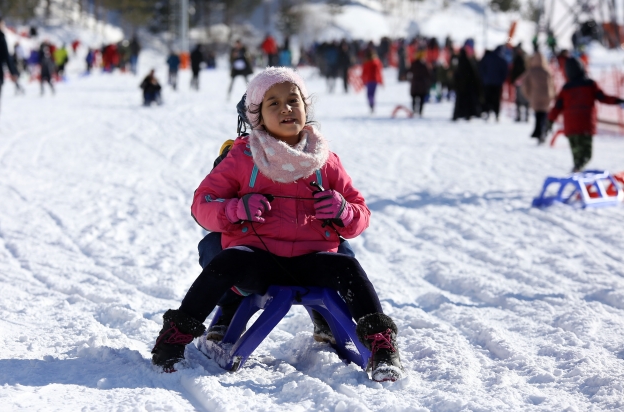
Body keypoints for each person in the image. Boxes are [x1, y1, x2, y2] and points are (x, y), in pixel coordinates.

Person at [150, 67, 404, 382]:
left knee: (347, 268)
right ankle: (174, 338)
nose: (286, 108)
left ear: (305, 107)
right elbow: (203, 203)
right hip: (260, 258)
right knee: (225, 262)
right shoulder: (243, 156)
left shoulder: (325, 161)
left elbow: (359, 211)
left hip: (312, 257)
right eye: (274, 103)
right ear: (257, 115)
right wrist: (236, 208)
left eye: (293, 100)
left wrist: (343, 211)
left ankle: (381, 344)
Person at [547, 57, 624, 172]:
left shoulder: (566, 89)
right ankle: (578, 173)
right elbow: (603, 98)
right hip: (585, 125)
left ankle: (577, 174)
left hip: (571, 127)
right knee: (586, 155)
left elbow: (557, 107)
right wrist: (618, 101)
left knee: (577, 157)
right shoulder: (590, 84)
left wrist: (550, 121)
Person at [520, 52, 556, 145]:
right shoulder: (547, 71)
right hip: (547, 96)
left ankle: (539, 132)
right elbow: (552, 84)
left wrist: (529, 95)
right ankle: (543, 131)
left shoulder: (531, 71)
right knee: (544, 114)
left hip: (536, 96)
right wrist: (552, 95)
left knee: (538, 115)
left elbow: (524, 86)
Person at [452, 41, 482, 121]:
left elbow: (455, 76)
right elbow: (473, 75)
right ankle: (466, 115)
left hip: (461, 87)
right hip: (467, 87)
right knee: (467, 102)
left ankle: (458, 115)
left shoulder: (459, 63)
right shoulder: (468, 63)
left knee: (459, 102)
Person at [478, 46, 508, 121]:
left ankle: (486, 112)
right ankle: (496, 114)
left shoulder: (488, 57)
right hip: (497, 83)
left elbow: (481, 68)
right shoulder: (502, 59)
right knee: (496, 99)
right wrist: (501, 80)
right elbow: (505, 71)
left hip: (487, 82)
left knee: (487, 98)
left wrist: (484, 78)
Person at [409, 50, 432, 117]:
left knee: (414, 98)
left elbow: (409, 71)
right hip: (422, 84)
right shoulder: (424, 65)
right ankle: (420, 111)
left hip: (415, 83)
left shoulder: (413, 63)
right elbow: (428, 74)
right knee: (421, 99)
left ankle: (414, 110)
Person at [361, 49, 383, 113]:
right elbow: (379, 72)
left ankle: (371, 105)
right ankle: (372, 105)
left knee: (369, 94)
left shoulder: (366, 62)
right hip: (375, 80)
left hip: (369, 80)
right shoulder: (377, 62)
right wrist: (381, 80)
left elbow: (364, 73)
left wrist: (363, 80)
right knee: (372, 94)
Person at [510, 44, 529, 122]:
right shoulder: (521, 58)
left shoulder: (520, 59)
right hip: (520, 82)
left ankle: (523, 116)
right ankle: (520, 116)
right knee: (520, 100)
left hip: (522, 82)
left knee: (524, 100)